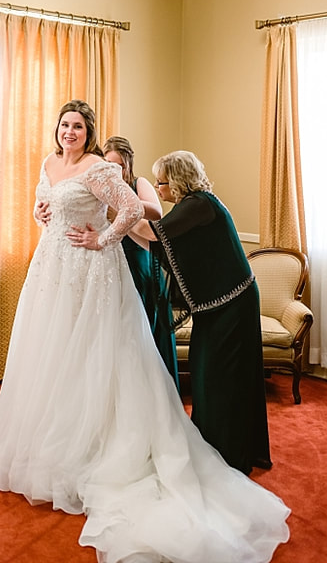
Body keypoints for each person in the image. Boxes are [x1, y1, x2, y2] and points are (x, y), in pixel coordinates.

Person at [0, 99, 289, 563]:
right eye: (64, 125)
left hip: (91, 269)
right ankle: (58, 441)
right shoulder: (49, 161)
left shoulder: (99, 168)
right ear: (57, 129)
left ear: (90, 132)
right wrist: (40, 214)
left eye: (79, 126)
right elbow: (43, 200)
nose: (70, 132)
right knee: (57, 354)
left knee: (99, 354)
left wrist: (101, 238)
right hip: (50, 269)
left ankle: (110, 448)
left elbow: (130, 210)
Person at [129, 150, 272, 475]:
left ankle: (230, 451)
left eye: (161, 181)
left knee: (224, 375)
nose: (157, 188)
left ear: (177, 181)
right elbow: (161, 245)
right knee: (206, 369)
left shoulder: (200, 204)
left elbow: (154, 233)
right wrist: (125, 224)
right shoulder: (191, 207)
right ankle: (210, 442)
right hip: (216, 305)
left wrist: (118, 214)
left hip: (233, 304)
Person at [102, 135, 179, 390]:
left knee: (142, 329)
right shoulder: (100, 188)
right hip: (109, 266)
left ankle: (150, 390)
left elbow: (156, 213)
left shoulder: (138, 184)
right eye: (109, 164)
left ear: (128, 165)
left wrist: (121, 208)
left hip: (138, 263)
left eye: (119, 165)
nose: (115, 171)